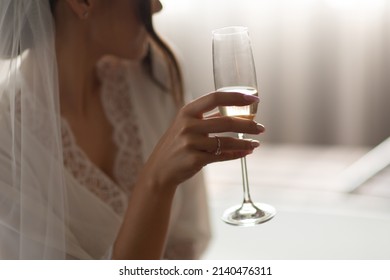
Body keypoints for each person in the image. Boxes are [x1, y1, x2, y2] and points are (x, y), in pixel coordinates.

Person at [0, 0, 264, 259]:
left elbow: (187, 239)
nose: (157, 6)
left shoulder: (154, 74)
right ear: (82, 2)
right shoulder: (6, 139)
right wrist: (156, 182)